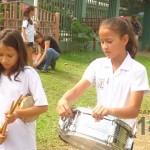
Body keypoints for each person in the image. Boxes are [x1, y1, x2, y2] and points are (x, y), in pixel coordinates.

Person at [56, 17, 150, 149]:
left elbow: (133, 110)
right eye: (101, 42)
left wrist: (109, 110)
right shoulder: (97, 65)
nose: (105, 46)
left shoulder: (137, 70)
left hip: (120, 138)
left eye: (109, 41)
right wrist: (63, 100)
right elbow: (77, 90)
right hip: (97, 133)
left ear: (124, 39)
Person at [0, 29, 48, 150]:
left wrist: (17, 113)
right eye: (0, 54)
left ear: (19, 52)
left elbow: (42, 106)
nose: (4, 60)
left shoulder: (28, 74)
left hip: (22, 141)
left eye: (10, 55)